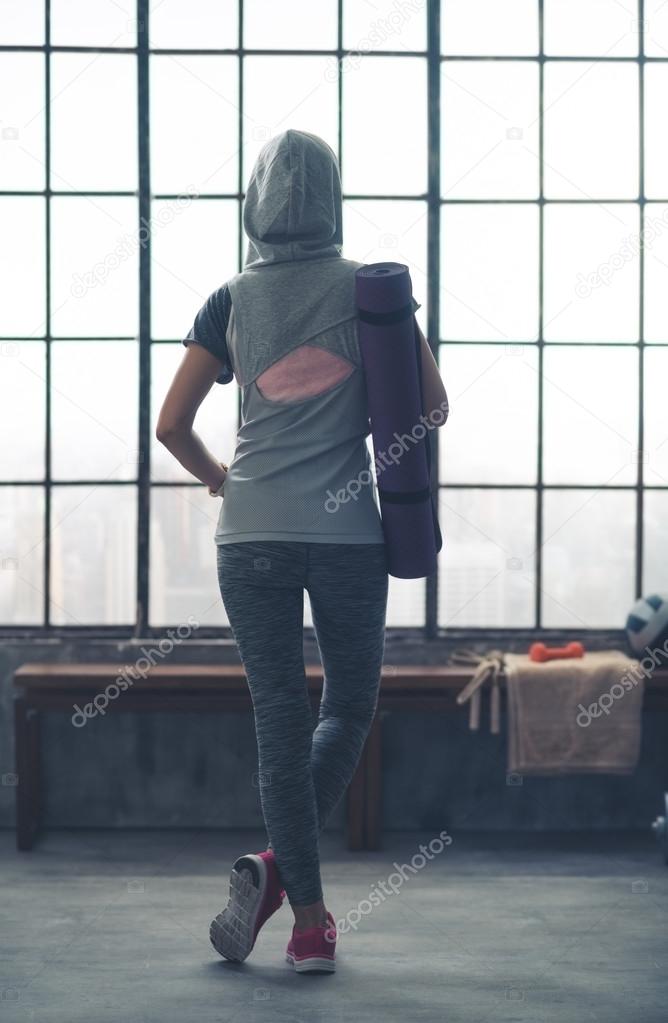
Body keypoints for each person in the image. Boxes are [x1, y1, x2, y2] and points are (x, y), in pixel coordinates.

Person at [156, 128, 448, 973]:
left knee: (278, 720)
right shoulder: (372, 294)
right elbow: (430, 405)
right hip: (349, 536)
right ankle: (291, 891)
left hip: (249, 536)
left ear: (253, 204)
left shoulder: (228, 300)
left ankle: (302, 906)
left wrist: (220, 479)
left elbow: (170, 426)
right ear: (334, 199)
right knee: (347, 708)